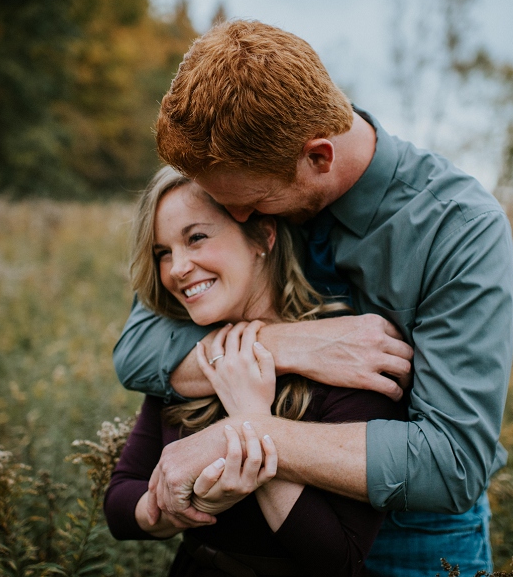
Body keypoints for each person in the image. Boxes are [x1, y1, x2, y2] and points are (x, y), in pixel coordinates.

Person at [113, 20, 513, 576]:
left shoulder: (460, 229)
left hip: (416, 537)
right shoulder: (241, 172)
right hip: (271, 541)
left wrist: (239, 435)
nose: (240, 218)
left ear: (320, 158)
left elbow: (451, 464)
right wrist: (289, 345)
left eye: (253, 203)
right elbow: (138, 347)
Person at [105, 167, 404, 576]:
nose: (177, 268)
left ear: (263, 237)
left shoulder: (349, 359)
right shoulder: (187, 358)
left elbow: (339, 560)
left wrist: (253, 423)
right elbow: (120, 503)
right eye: (163, 253)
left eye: (196, 238)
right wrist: (179, 508)